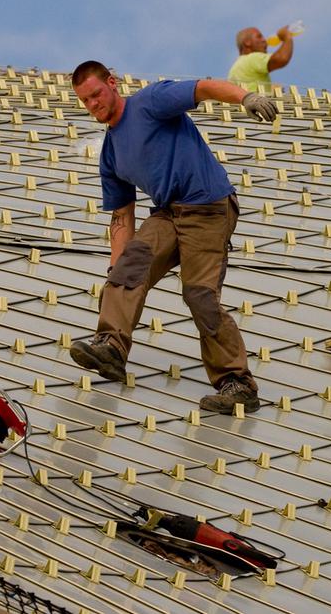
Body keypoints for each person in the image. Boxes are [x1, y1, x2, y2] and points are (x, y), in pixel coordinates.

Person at [68, 60, 278, 414]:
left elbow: (204, 87)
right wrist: (115, 275)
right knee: (128, 268)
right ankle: (112, 347)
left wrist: (246, 97)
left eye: (96, 95)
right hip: (169, 212)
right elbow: (122, 216)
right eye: (85, 101)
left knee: (199, 294)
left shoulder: (150, 102)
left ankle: (237, 382)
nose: (93, 105)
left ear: (112, 83)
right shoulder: (111, 153)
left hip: (209, 206)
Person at [227, 25, 294, 92]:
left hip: (247, 101)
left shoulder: (233, 70)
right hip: (257, 101)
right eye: (259, 37)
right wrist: (287, 37)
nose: (264, 40)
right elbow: (281, 58)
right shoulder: (252, 58)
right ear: (247, 42)